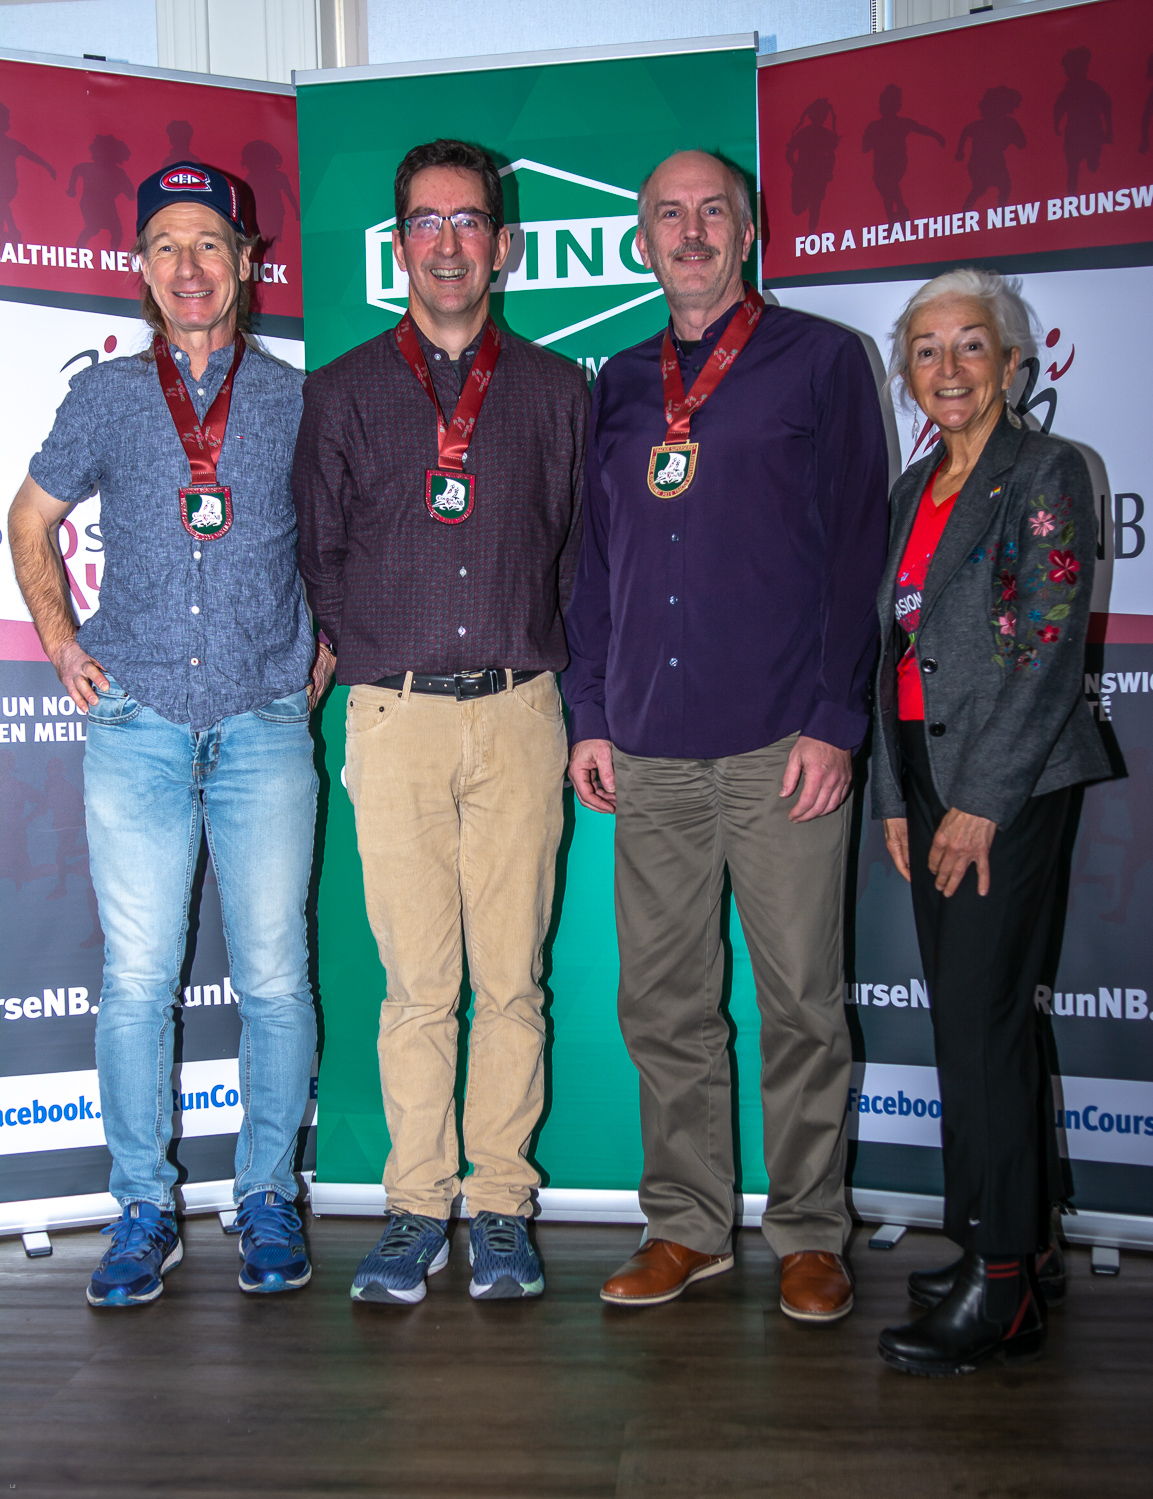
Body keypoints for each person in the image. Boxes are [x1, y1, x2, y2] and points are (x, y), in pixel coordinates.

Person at [564, 150, 889, 1320]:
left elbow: (858, 549)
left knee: (801, 998)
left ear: (748, 232)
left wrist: (834, 719)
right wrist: (590, 713)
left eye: (713, 212)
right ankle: (688, 1224)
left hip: (779, 739)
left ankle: (808, 1230)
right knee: (663, 1000)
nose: (690, 231)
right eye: (668, 214)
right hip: (648, 743)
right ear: (641, 241)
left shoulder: (822, 361)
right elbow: (592, 563)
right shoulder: (616, 384)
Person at [7, 160, 332, 1307]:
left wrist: (325, 645)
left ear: (246, 260)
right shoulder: (105, 397)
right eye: (166, 246)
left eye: (208, 243)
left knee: (276, 979)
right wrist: (61, 643)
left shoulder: (297, 400)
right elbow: (30, 520)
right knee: (138, 981)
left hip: (262, 721)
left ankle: (267, 1197)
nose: (188, 266)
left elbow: (341, 541)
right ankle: (143, 1206)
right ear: (140, 269)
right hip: (137, 718)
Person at [293, 139, 589, 1306]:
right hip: (396, 717)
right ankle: (417, 1205)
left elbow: (575, 556)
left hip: (521, 713)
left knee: (511, 981)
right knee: (417, 985)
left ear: (502, 245)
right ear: (399, 245)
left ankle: (502, 1202)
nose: (449, 243)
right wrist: (367, 653)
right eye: (427, 222)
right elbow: (320, 554)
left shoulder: (556, 392)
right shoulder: (342, 393)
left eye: (470, 221)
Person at [871, 268, 1109, 1375]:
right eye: (926, 350)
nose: (949, 367)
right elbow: (889, 649)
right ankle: (1009, 1240)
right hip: (926, 775)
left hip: (1003, 786)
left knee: (980, 1024)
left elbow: (1047, 650)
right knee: (977, 1017)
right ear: (906, 372)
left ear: (1012, 364)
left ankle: (1000, 1284)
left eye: (971, 344)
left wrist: (977, 801)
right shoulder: (912, 487)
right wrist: (894, 794)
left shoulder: (1045, 471)